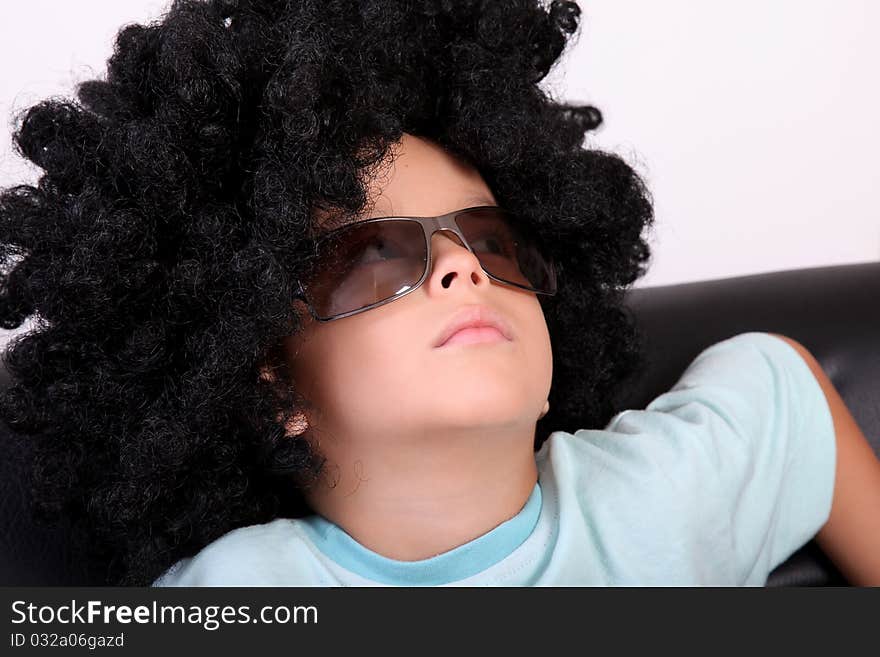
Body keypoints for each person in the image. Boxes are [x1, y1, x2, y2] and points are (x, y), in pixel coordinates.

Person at [1, 0, 877, 587]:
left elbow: (780, 387)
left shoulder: (672, 494)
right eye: (375, 257)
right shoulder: (241, 591)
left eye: (493, 242)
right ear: (277, 390)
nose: (463, 267)